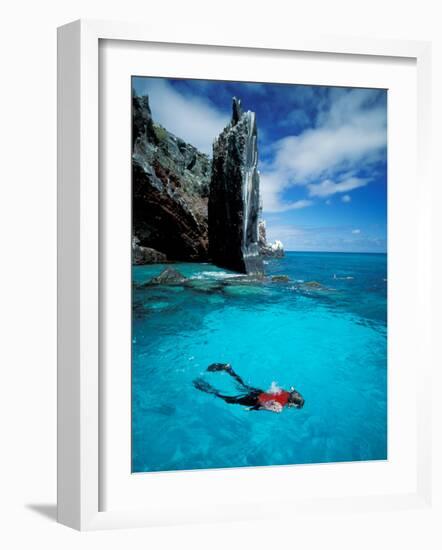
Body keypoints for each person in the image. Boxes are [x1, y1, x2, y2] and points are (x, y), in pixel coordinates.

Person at [193, 363, 304, 413]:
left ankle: (229, 370)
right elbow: (263, 406)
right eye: (294, 406)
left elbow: (271, 392)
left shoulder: (285, 392)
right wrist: (252, 409)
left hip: (259, 392)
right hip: (254, 400)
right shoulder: (280, 407)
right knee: (229, 400)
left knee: (242, 385)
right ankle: (203, 386)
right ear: (292, 403)